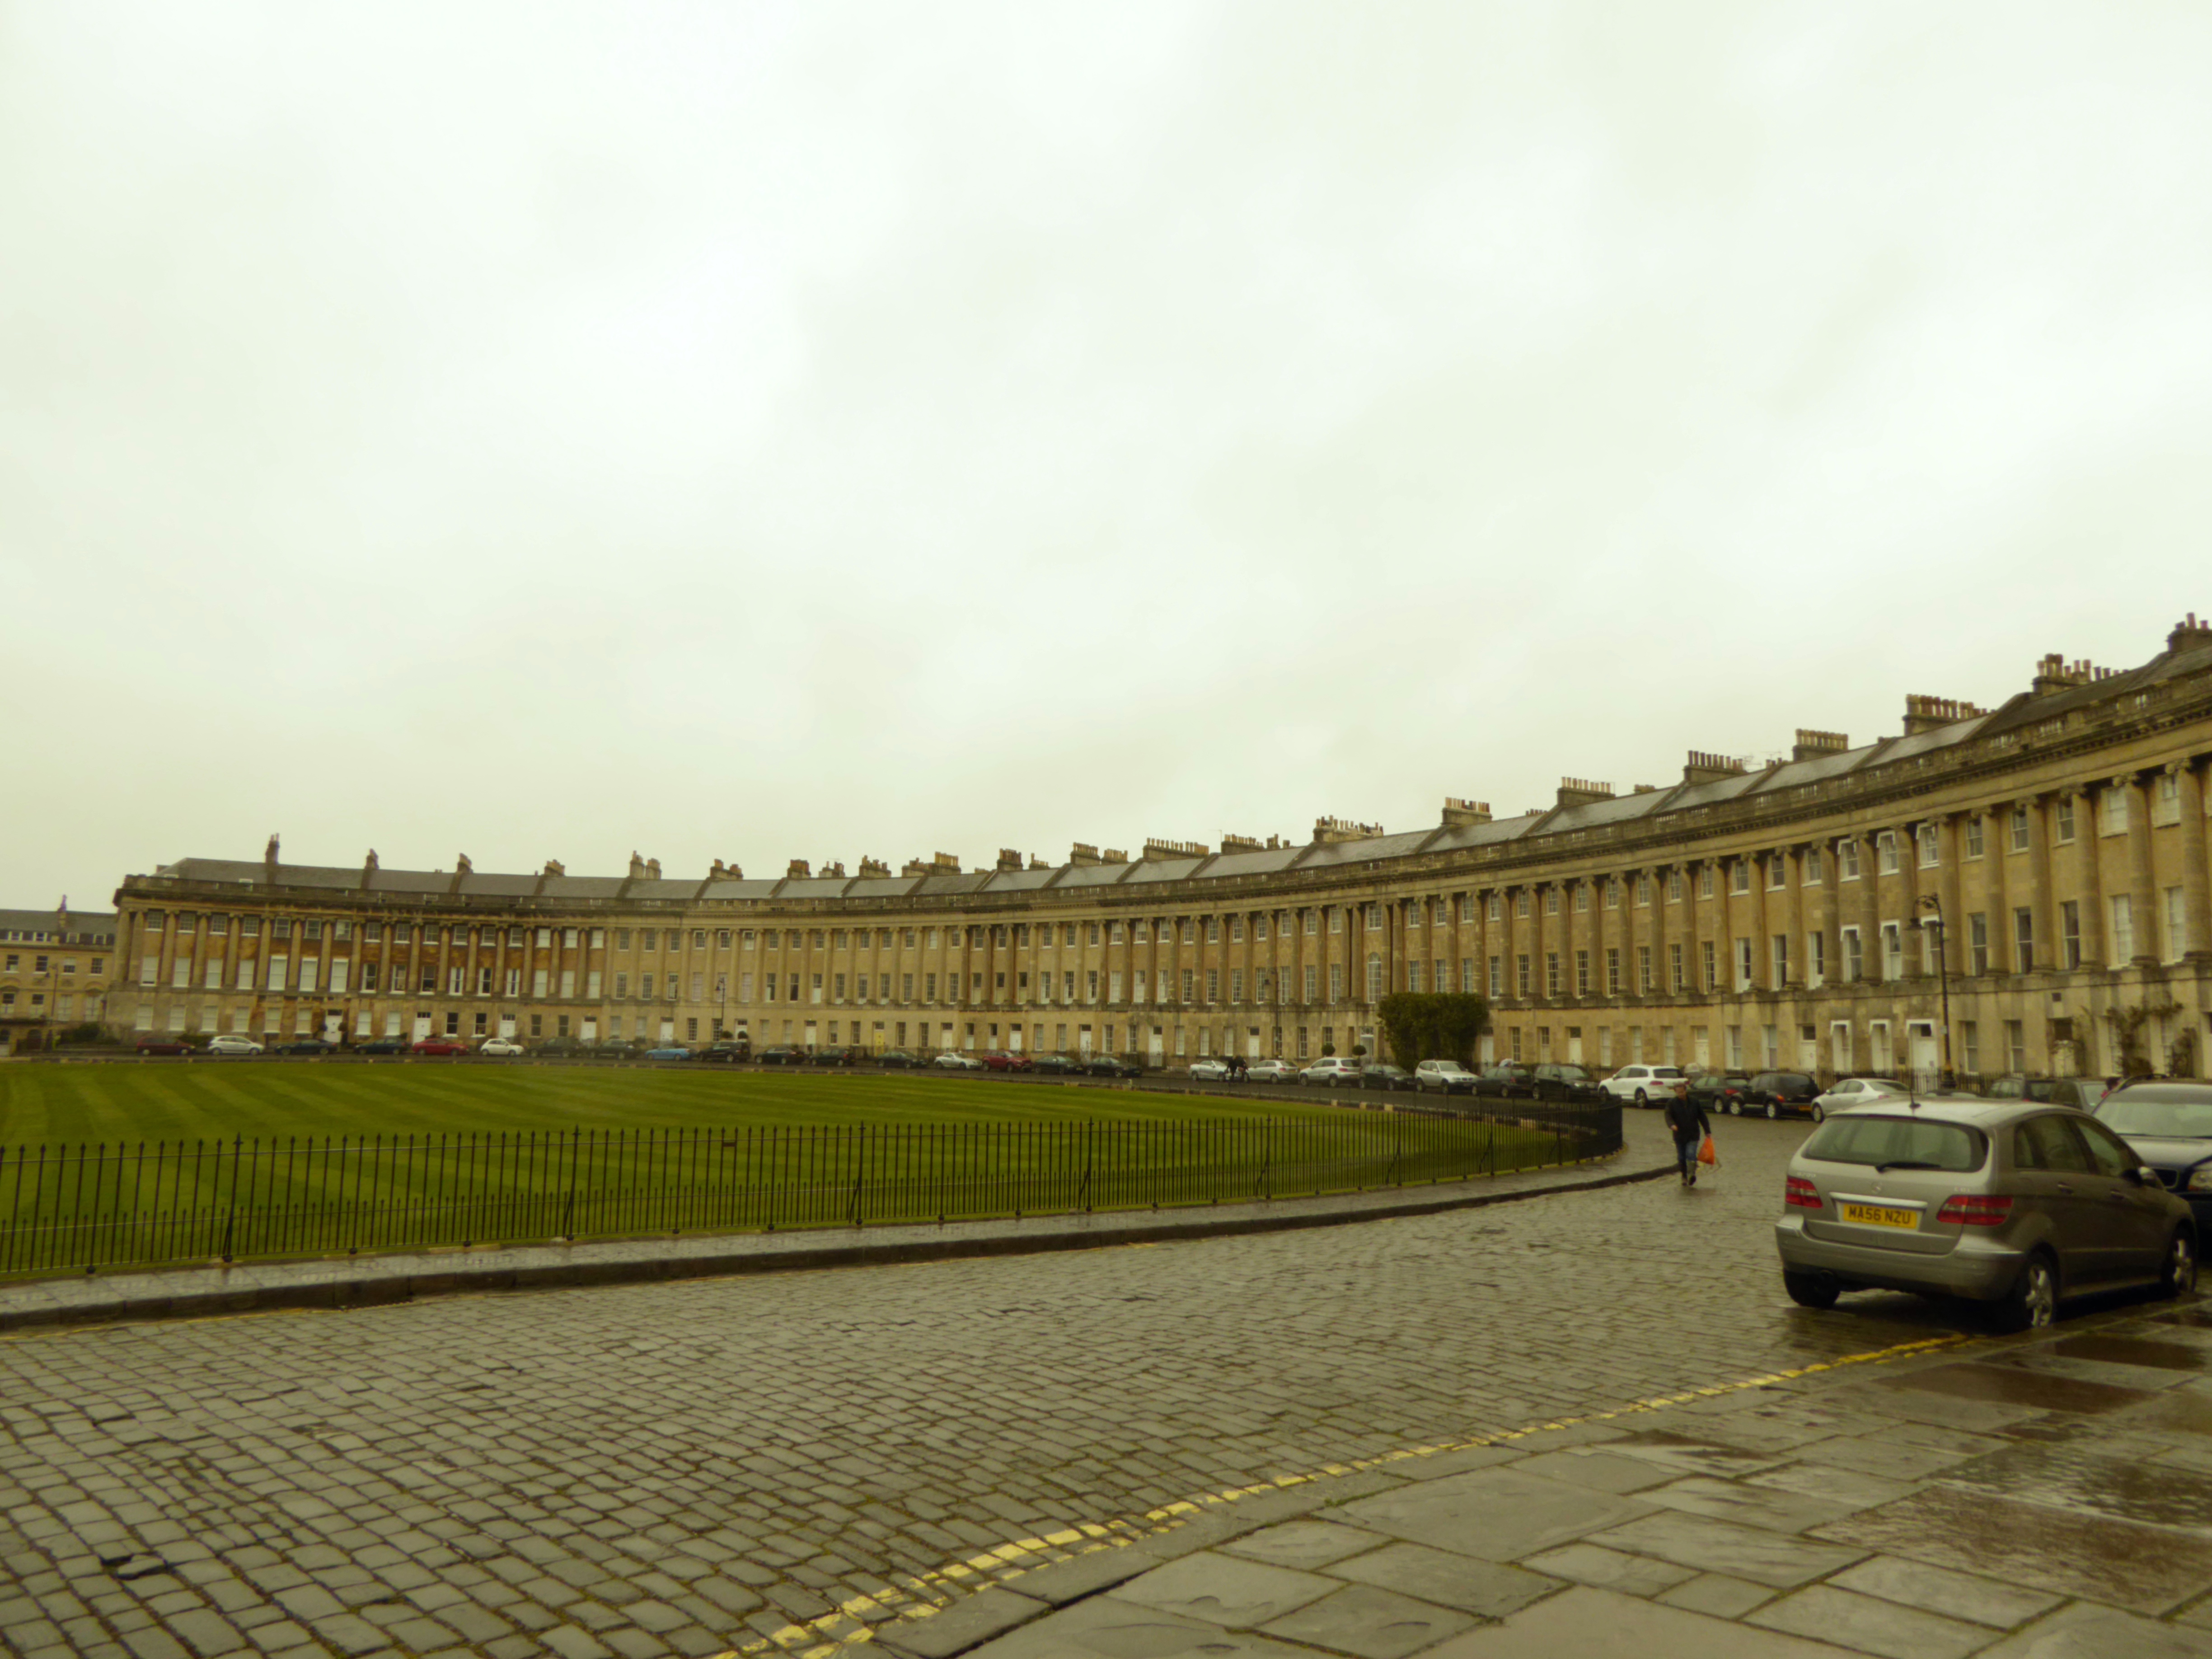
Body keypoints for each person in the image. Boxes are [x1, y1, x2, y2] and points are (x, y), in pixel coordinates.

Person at [1664, 1088, 1711, 1187]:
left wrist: (1707, 1131)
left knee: (1691, 1154)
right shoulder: (1672, 1103)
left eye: (1682, 1092)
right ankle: (1684, 1176)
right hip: (1679, 1135)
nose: (1681, 1094)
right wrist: (1672, 1125)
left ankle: (1691, 1175)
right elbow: (1668, 1116)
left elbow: (1702, 1116)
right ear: (1676, 1093)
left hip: (1693, 1134)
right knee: (1681, 1157)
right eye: (1679, 1092)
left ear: (1686, 1091)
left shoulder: (1694, 1102)